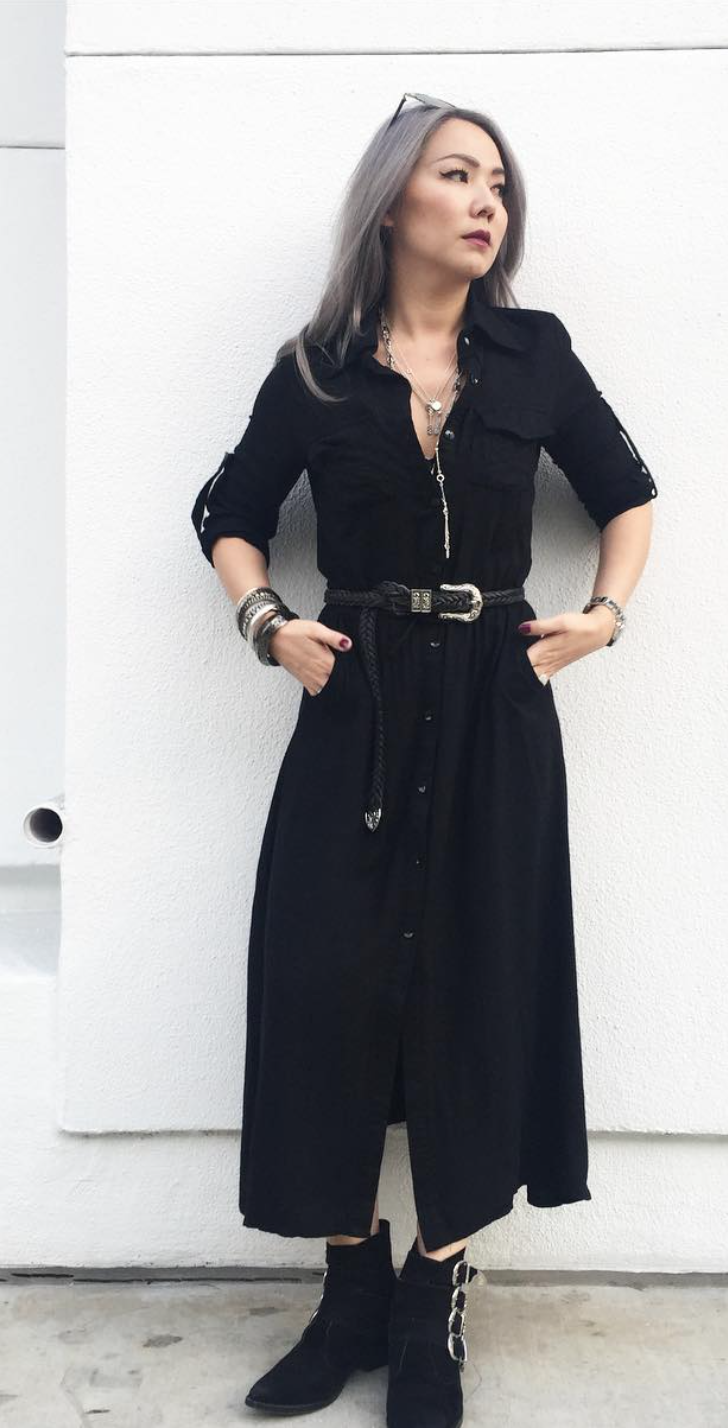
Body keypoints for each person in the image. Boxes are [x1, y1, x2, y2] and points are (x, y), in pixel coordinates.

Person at [190, 93, 657, 1427]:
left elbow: (628, 496)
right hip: (359, 705)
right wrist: (268, 624)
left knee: (478, 983)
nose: (485, 201)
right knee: (323, 983)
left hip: (497, 706)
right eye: (457, 175)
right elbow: (227, 513)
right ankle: (350, 1286)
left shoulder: (533, 353)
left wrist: (601, 618)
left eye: (497, 183)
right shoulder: (316, 370)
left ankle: (432, 1287)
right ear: (393, 199)